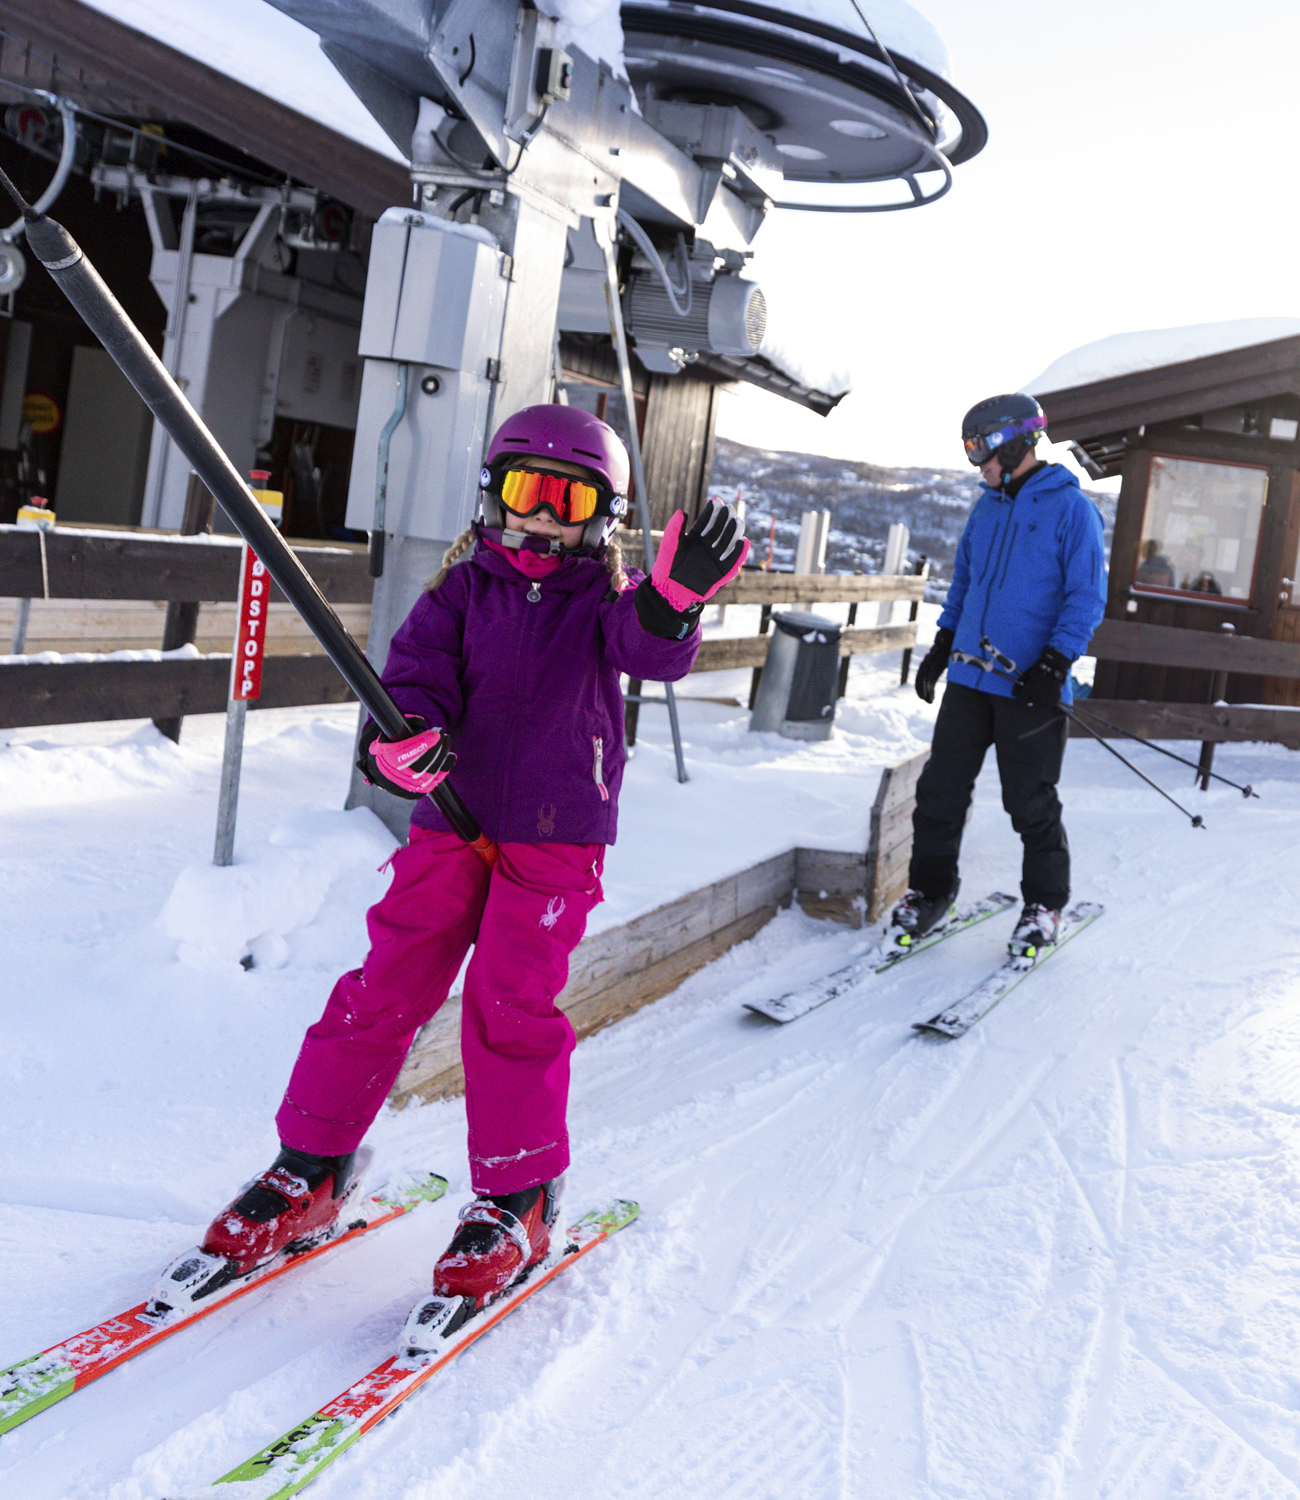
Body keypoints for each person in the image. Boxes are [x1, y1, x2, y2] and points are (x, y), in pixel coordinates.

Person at [197, 405, 749, 1316]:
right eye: (526, 491)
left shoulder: (603, 605)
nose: (541, 515)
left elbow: (648, 653)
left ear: (600, 517)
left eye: (567, 500)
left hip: (554, 832)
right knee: (385, 987)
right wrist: (402, 739)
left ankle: (517, 1203)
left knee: (508, 1003)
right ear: (494, 495)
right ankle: (312, 1167)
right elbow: (410, 680)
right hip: (452, 822)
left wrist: (672, 600)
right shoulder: (459, 592)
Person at [896, 392, 1107, 955]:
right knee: (938, 793)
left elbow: (1086, 598)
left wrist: (1056, 662)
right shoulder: (986, 507)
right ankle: (930, 893)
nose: (976, 466)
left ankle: (1043, 907)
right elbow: (964, 584)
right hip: (970, 680)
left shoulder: (1071, 510)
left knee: (1030, 803)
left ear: (1012, 443)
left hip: (1029, 686)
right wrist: (943, 646)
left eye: (979, 452)